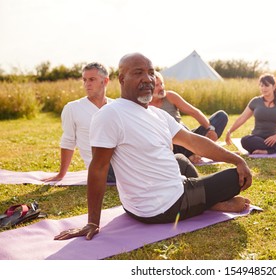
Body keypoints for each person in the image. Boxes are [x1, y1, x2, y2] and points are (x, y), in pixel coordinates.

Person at [54, 52, 252, 241]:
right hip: (163, 207)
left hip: (142, 204)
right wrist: (92, 222)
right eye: (138, 72)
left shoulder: (157, 114)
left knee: (181, 160)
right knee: (234, 177)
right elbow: (98, 168)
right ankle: (208, 202)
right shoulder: (110, 114)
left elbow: (193, 141)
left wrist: (236, 158)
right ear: (122, 79)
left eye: (150, 72)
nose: (148, 78)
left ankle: (206, 200)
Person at [42, 62, 116, 183]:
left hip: (125, 162)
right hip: (103, 170)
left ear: (105, 81)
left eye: (92, 79)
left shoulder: (116, 105)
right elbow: (68, 141)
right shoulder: (73, 108)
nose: (87, 84)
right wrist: (61, 174)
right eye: (85, 80)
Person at [149, 71, 228, 163]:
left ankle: (193, 154)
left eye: (162, 84)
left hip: (188, 138)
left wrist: (210, 129)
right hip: (170, 144)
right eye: (157, 85)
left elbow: (194, 112)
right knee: (170, 133)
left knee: (221, 116)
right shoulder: (145, 105)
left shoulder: (170, 96)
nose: (161, 88)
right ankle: (193, 154)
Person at [225, 73, 276, 154]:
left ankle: (269, 149)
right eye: (261, 85)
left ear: (274, 87)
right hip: (257, 139)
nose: (263, 88)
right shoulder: (255, 101)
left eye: (266, 85)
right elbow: (242, 118)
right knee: (245, 140)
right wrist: (230, 131)